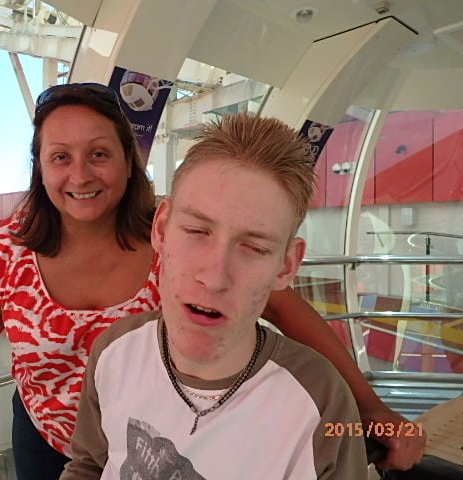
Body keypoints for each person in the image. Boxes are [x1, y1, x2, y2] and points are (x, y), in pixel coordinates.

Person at [0, 83, 423, 479]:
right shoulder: (11, 241)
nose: (79, 176)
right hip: (45, 432)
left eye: (99, 154)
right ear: (41, 168)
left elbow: (284, 309)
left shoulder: (184, 243)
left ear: (128, 162)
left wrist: (366, 405)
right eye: (60, 158)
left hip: (163, 437)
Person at [61, 113, 368, 479]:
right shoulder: (114, 350)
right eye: (195, 230)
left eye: (253, 247)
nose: (215, 276)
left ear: (287, 265)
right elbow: (90, 465)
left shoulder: (319, 403)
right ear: (161, 229)